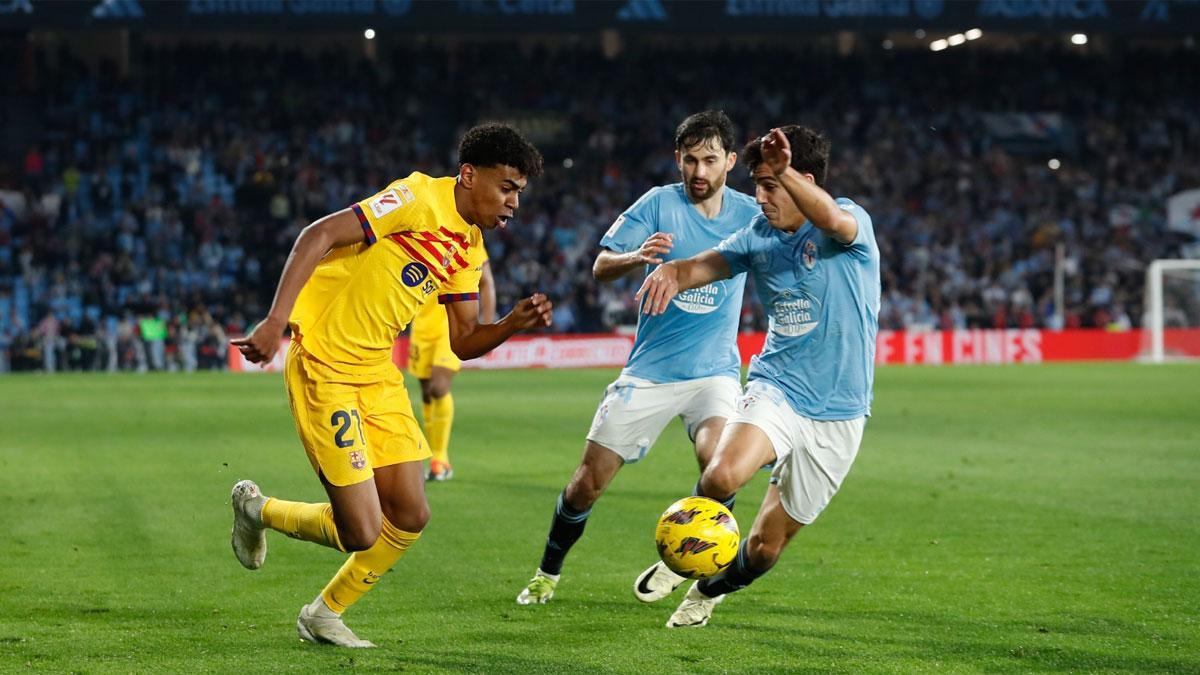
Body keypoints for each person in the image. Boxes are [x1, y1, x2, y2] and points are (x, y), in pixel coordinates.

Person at [228, 123, 552, 648]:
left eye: (519, 192)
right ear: (469, 175)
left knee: (410, 512)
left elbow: (465, 341)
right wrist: (275, 321)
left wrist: (514, 320)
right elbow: (319, 234)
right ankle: (255, 510)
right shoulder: (417, 197)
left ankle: (323, 614)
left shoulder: (468, 247)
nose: (514, 203)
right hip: (326, 365)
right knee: (360, 530)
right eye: (507, 187)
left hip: (377, 371)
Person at [634, 125, 879, 628]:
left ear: (801, 179)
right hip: (778, 388)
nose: (760, 198)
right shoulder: (758, 236)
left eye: (771, 185)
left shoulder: (850, 224)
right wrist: (672, 273)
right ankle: (687, 550)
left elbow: (830, 215)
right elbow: (702, 265)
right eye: (758, 185)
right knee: (721, 474)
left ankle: (710, 588)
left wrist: (783, 169)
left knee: (765, 549)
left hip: (839, 415)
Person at [515, 111, 761, 605]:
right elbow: (601, 265)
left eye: (710, 160)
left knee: (719, 465)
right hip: (650, 372)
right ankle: (548, 572)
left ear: (731, 162)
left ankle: (688, 561)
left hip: (715, 372)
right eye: (689, 159)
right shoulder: (656, 204)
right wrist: (636, 257)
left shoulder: (751, 213)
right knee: (587, 484)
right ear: (677, 159)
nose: (698, 171)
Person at [407, 258, 496, 482]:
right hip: (421, 325)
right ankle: (434, 457)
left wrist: (486, 328)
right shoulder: (417, 229)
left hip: (450, 325)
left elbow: (487, 282)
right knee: (427, 391)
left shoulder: (469, 236)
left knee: (438, 387)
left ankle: (441, 458)